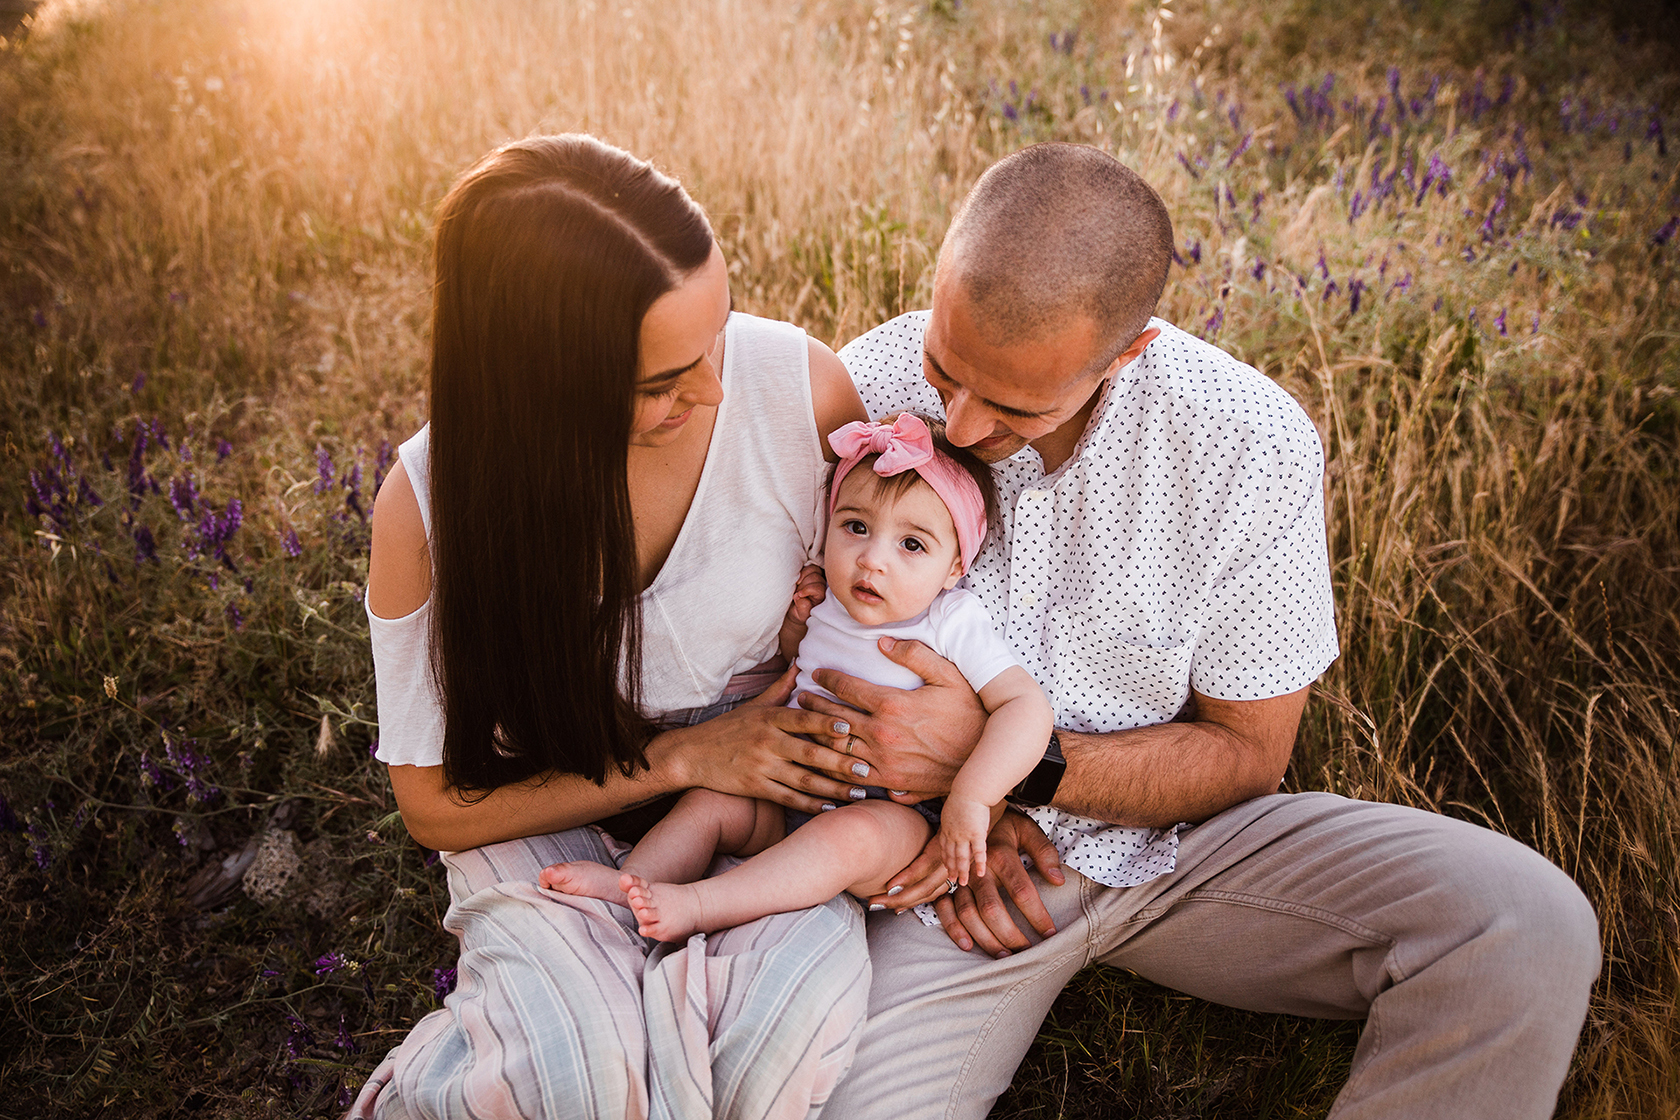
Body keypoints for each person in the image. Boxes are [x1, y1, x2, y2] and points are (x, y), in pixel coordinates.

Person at [805, 142, 1601, 1119]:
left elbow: (1248, 753)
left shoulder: (1247, 443)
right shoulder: (867, 380)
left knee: (1526, 922)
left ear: (1126, 353)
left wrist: (1006, 766)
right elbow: (798, 639)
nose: (960, 423)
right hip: (942, 876)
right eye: (946, 370)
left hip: (1174, 853)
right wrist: (932, 818)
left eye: (1014, 404)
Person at [349, 134, 879, 1120]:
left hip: (757, 807)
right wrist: (685, 758)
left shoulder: (800, 393)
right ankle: (445, 1079)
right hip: (545, 809)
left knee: (774, 1058)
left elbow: (890, 624)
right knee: (586, 1083)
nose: (716, 387)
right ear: (544, 375)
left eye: (717, 331)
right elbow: (433, 806)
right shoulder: (430, 506)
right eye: (662, 380)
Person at [537, 412, 1053, 939]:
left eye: (912, 545)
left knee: (846, 838)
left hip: (895, 820)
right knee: (711, 802)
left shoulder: (951, 621)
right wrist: (794, 628)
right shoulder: (827, 597)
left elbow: (1025, 707)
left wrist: (973, 795)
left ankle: (699, 903)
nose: (872, 560)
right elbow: (801, 670)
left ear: (954, 568)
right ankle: (632, 882)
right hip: (787, 792)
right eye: (855, 528)